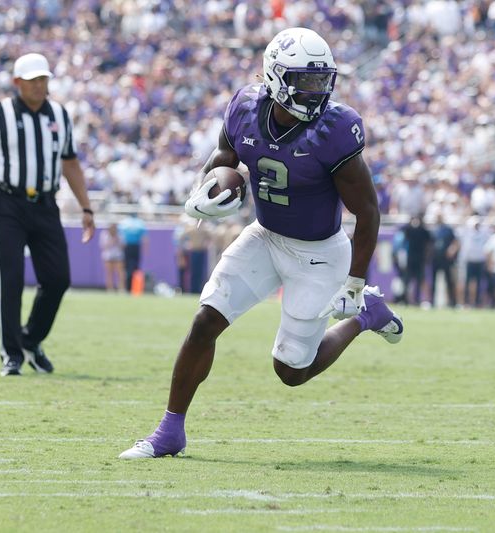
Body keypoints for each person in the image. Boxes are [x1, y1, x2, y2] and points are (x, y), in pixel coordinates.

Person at [119, 28, 403, 460]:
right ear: (276, 77)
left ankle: (365, 317)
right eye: (307, 81)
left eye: (323, 80)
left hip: (319, 255)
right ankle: (169, 431)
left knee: (291, 371)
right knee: (204, 322)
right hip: (265, 237)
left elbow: (368, 212)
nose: (317, 91)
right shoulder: (244, 109)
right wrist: (207, 188)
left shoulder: (336, 130)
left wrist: (355, 283)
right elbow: (224, 159)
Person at [0, 53, 95, 376]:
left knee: (58, 278)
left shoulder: (60, 115)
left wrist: (86, 207)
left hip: (46, 203)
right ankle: (11, 354)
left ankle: (30, 339)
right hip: (7, 202)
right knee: (11, 279)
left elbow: (70, 163)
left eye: (43, 79)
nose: (39, 85)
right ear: (17, 83)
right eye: (33, 80)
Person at [117, 212, 148, 292]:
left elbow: (120, 237)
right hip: (135, 247)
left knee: (127, 268)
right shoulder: (140, 223)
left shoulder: (124, 223)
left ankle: (128, 287)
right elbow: (145, 238)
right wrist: (145, 250)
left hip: (127, 247)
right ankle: (134, 288)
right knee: (135, 268)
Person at [100, 223, 126, 292]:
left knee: (120, 273)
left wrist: (117, 240)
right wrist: (112, 241)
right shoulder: (104, 234)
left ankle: (121, 288)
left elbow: (123, 246)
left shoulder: (120, 234)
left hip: (118, 256)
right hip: (108, 256)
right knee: (109, 273)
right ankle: (110, 288)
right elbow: (103, 246)